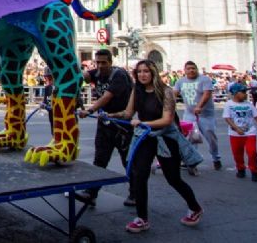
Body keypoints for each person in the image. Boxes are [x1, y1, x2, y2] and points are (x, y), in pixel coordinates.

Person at [110, 60, 203, 233]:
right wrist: (105, 114)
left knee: (173, 178)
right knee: (139, 175)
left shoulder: (166, 91)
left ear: (153, 73)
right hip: (146, 137)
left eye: (146, 71)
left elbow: (167, 120)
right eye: (139, 72)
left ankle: (195, 207)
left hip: (165, 138)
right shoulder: (136, 91)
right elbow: (128, 113)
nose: (142, 75)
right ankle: (142, 218)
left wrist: (142, 123)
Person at [77, 49, 135, 207]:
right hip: (105, 123)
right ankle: (91, 193)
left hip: (121, 123)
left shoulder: (119, 75)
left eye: (104, 63)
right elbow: (81, 77)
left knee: (127, 161)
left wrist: (89, 110)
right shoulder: (96, 73)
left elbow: (107, 96)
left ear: (111, 62)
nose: (100, 66)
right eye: (98, 62)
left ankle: (135, 194)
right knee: (100, 159)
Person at [174, 61, 222, 170]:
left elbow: (207, 94)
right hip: (189, 115)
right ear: (185, 70)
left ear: (197, 69)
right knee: (190, 138)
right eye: (189, 69)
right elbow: (174, 94)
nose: (191, 70)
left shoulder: (204, 79)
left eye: (193, 68)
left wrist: (199, 106)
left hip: (206, 115)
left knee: (211, 138)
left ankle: (216, 158)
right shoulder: (180, 81)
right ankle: (191, 160)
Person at [223, 83, 257, 182]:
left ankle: (254, 170)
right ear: (235, 93)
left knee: (252, 152)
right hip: (235, 133)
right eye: (243, 92)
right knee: (237, 153)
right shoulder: (229, 104)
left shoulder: (249, 104)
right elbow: (227, 118)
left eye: (246, 92)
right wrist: (236, 128)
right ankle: (240, 168)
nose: (246, 94)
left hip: (250, 132)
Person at [41, 68, 54, 134]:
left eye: (50, 78)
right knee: (53, 128)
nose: (47, 79)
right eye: (46, 78)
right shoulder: (47, 88)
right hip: (51, 113)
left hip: (61, 114)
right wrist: (43, 105)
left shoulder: (60, 87)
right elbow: (45, 101)